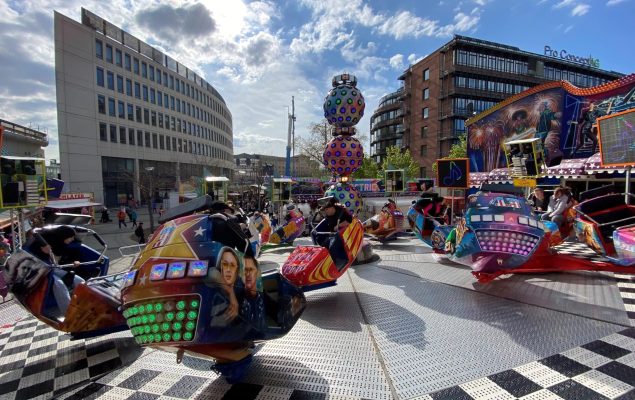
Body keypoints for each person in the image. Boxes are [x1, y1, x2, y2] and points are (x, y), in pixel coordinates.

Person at [28, 236, 84, 316]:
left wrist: (72, 264)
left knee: (80, 281)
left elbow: (57, 264)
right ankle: (68, 314)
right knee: (59, 285)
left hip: (54, 269)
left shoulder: (52, 251)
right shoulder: (33, 254)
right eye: (47, 247)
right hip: (43, 273)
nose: (50, 248)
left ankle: (83, 306)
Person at [312, 195, 353, 269]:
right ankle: (322, 262)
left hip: (343, 234)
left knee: (332, 246)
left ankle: (333, 264)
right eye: (324, 210)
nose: (325, 211)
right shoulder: (328, 215)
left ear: (332, 208)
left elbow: (350, 222)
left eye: (326, 209)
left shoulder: (342, 211)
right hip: (332, 234)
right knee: (323, 245)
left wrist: (339, 225)